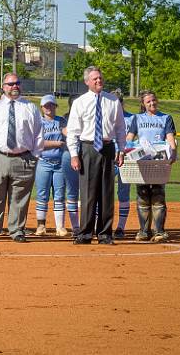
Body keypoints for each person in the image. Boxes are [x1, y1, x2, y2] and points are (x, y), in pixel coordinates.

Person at [0, 73, 43, 243]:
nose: (15, 86)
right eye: (10, 84)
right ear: (3, 87)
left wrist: (34, 156)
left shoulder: (30, 107)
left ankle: (17, 230)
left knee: (20, 197)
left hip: (23, 158)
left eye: (17, 83)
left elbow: (38, 135)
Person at [66, 66, 126, 245]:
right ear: (87, 82)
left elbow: (121, 129)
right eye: (95, 79)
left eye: (100, 78)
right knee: (88, 192)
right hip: (88, 148)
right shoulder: (80, 102)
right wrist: (74, 155)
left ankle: (105, 234)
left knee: (107, 193)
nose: (99, 81)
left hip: (108, 148)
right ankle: (85, 233)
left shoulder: (113, 101)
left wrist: (121, 150)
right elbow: (73, 132)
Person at [127, 90, 177, 243]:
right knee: (142, 195)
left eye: (154, 100)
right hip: (142, 161)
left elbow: (170, 138)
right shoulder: (137, 118)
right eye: (148, 101)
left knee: (158, 195)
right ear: (143, 104)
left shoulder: (166, 118)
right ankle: (143, 231)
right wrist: (124, 150)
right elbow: (130, 138)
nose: (152, 103)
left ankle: (159, 231)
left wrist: (173, 152)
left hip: (159, 161)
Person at [34, 94, 68, 237]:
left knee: (59, 195)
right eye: (45, 105)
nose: (48, 107)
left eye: (51, 105)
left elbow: (69, 136)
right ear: (41, 108)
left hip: (60, 163)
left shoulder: (61, 121)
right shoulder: (38, 123)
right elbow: (37, 143)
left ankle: (60, 227)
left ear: (55, 106)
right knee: (42, 194)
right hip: (43, 162)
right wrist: (56, 143)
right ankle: (41, 226)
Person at [111, 88, 135, 239]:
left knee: (123, 193)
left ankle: (120, 227)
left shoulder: (132, 118)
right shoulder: (104, 117)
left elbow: (133, 139)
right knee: (104, 192)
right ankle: (101, 225)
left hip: (126, 160)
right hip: (108, 159)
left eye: (118, 102)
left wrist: (123, 151)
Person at [61, 94, 81, 236]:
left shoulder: (87, 117)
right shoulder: (65, 118)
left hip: (87, 155)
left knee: (89, 192)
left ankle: (89, 225)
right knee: (72, 192)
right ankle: (75, 227)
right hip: (70, 155)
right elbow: (67, 132)